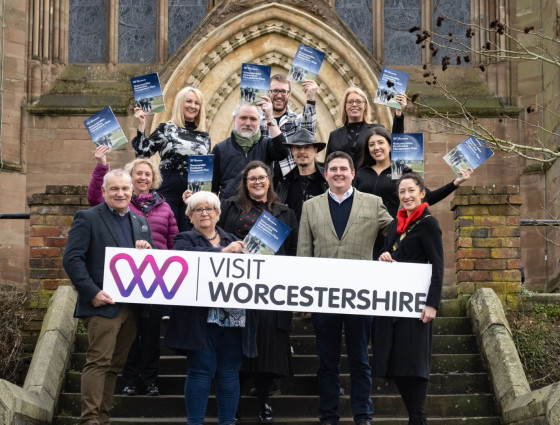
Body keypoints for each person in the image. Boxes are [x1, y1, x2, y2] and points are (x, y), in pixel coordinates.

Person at [297, 151, 393, 425]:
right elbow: (304, 252)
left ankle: (363, 415)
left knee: (360, 360)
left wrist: (389, 254)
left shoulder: (373, 203)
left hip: (360, 295)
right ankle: (329, 415)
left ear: (353, 173)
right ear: (325, 174)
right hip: (323, 295)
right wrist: (305, 298)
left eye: (343, 168)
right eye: (332, 169)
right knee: (326, 361)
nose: (338, 173)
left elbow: (397, 233)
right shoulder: (310, 206)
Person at [63, 169, 154, 425]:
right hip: (103, 304)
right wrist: (91, 292)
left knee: (115, 366)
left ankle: (103, 418)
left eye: (125, 188)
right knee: (99, 362)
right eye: (114, 189)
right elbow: (72, 259)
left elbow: (152, 263)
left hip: (132, 306)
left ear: (132, 191)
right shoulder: (88, 218)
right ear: (104, 191)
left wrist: (149, 249)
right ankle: (89, 420)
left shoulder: (140, 222)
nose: (121, 193)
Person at [86, 145, 178, 396]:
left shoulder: (165, 208)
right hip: (125, 277)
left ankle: (149, 380)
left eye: (148, 174)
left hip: (156, 278)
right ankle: (128, 380)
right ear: (130, 177)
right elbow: (94, 197)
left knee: (150, 334)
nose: (143, 177)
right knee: (129, 332)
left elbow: (173, 243)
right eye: (138, 173)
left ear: (154, 179)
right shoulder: (121, 204)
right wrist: (101, 165)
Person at [164, 191, 257, 425]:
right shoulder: (183, 239)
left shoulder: (236, 241)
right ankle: (194, 422)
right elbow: (187, 261)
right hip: (199, 321)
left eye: (210, 209)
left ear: (218, 214)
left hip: (234, 319)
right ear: (190, 216)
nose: (204, 213)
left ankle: (228, 422)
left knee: (229, 374)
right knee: (200, 371)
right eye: (198, 209)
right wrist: (223, 253)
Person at [218, 161, 298, 423]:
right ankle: (235, 401)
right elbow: (216, 236)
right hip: (236, 286)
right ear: (245, 182)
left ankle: (264, 401)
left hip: (271, 289)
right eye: (252, 179)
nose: (257, 182)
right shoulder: (230, 207)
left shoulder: (284, 212)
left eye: (261, 178)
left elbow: (294, 251)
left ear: (269, 180)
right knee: (234, 345)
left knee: (268, 346)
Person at [373, 170, 444, 425]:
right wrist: (383, 256)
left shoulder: (428, 223)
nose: (406, 196)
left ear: (422, 193)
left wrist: (432, 304)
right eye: (402, 192)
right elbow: (386, 250)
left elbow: (438, 265)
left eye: (411, 190)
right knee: (398, 367)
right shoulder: (395, 223)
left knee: (415, 369)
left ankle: (418, 417)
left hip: (418, 309)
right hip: (395, 306)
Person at [353, 127, 472, 257]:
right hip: (366, 234)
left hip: (394, 232)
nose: (376, 147)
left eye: (381, 142)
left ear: (391, 146)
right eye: (371, 144)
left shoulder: (402, 171)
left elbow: (429, 197)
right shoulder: (361, 173)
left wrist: (455, 183)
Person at [132, 86, 211, 231]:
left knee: (189, 234)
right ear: (180, 103)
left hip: (193, 191)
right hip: (168, 186)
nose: (192, 106)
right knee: (167, 231)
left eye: (196, 103)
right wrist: (142, 125)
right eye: (189, 101)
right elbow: (143, 154)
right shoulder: (166, 128)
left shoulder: (204, 136)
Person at [211, 103, 289, 201]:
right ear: (234, 119)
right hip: (230, 210)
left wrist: (270, 119)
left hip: (261, 209)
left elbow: (284, 152)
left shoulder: (266, 144)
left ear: (259, 121)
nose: (248, 123)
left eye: (253, 119)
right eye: (243, 118)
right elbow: (212, 188)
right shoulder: (220, 148)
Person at [325, 86, 405, 168]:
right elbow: (327, 165)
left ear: (365, 106)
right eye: (350, 102)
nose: (354, 104)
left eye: (359, 101)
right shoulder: (334, 135)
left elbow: (396, 146)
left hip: (369, 179)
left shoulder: (377, 130)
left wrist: (398, 114)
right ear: (345, 106)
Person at [260, 73, 318, 177]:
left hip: (291, 181)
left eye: (283, 91)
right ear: (268, 93)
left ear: (289, 95)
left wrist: (310, 98)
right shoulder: (258, 121)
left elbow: (309, 134)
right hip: (264, 181)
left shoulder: (297, 120)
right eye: (275, 91)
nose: (279, 95)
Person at [275, 127, 328, 222]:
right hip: (293, 236)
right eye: (298, 147)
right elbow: (276, 217)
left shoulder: (327, 180)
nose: (302, 151)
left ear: (315, 150)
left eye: (307, 147)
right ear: (292, 151)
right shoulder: (284, 183)